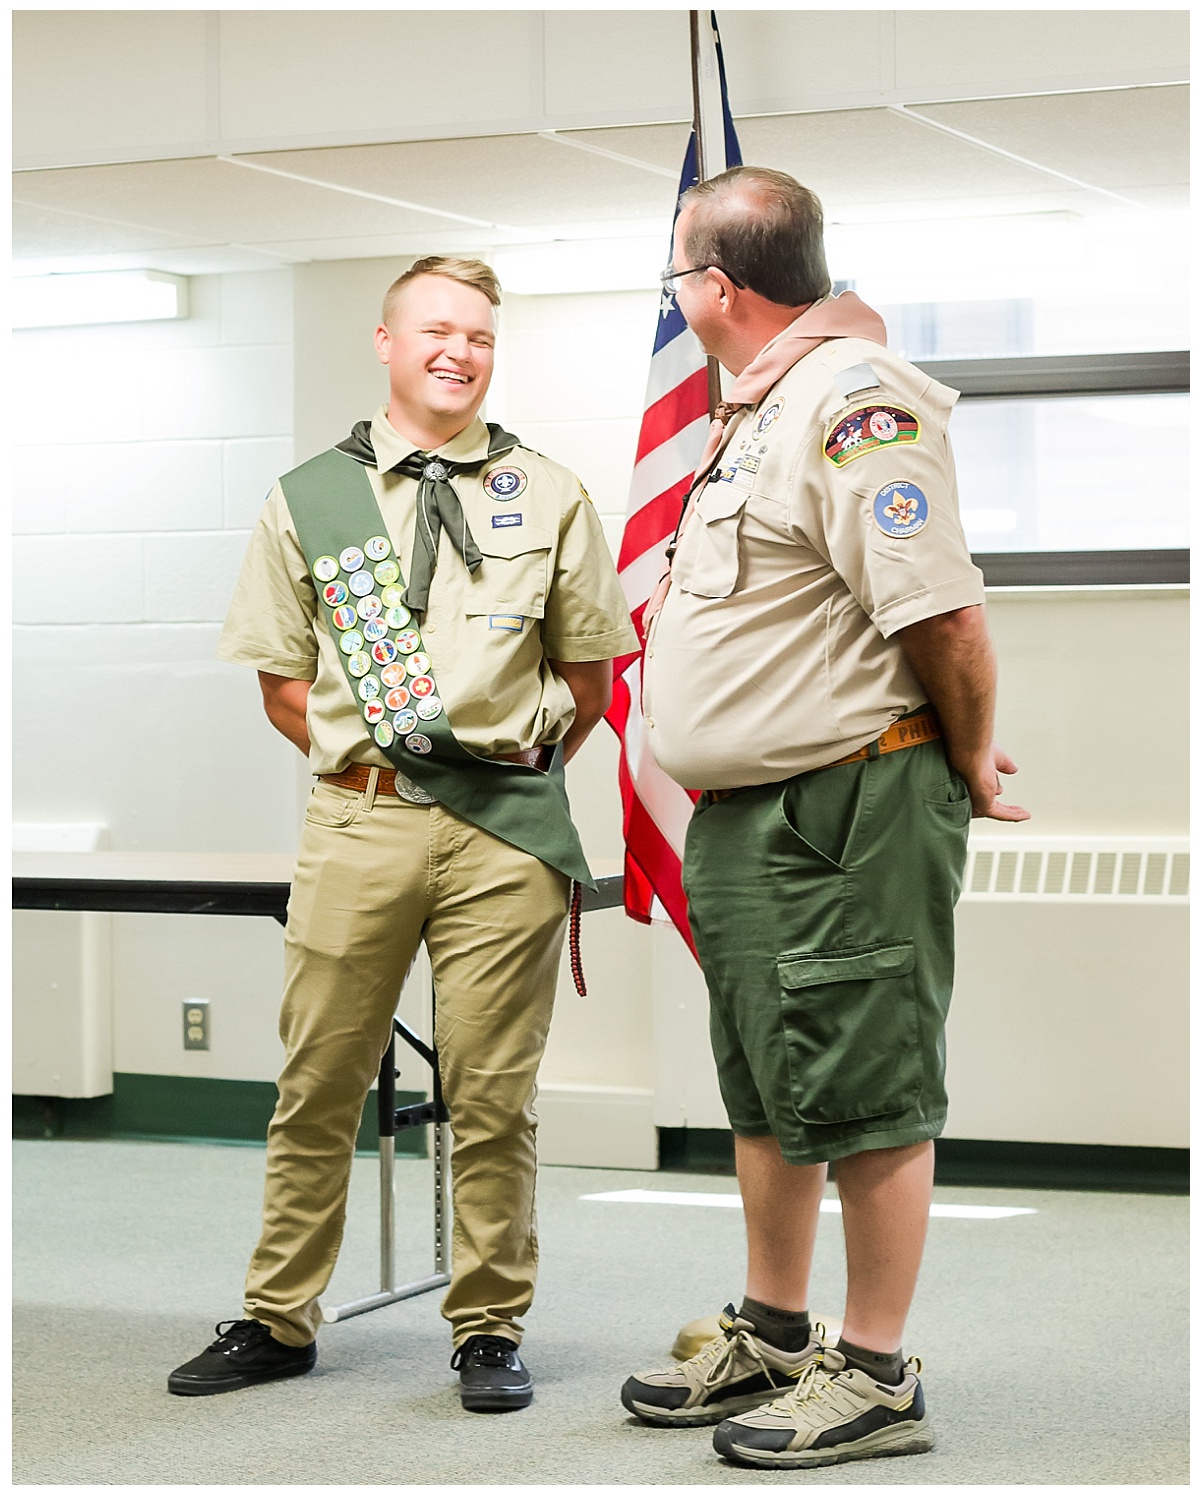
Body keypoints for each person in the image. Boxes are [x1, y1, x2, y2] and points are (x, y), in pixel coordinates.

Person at [168, 256, 637, 1411]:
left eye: (478, 335)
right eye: (436, 330)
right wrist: (382, 772)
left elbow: (586, 675)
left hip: (504, 834)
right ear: (386, 341)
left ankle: (487, 1327)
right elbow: (283, 685)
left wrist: (502, 777)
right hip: (358, 824)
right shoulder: (310, 498)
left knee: (490, 1095)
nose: (457, 351)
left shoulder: (552, 492)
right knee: (318, 1080)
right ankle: (279, 1316)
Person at [623, 167, 1030, 1468]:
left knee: (863, 1090)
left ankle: (874, 1368)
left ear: (716, 289)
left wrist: (963, 759)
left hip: (849, 800)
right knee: (770, 1086)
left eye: (681, 273)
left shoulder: (856, 401)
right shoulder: (766, 411)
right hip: (750, 813)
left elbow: (944, 614)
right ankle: (778, 1329)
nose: (679, 296)